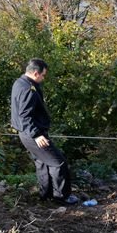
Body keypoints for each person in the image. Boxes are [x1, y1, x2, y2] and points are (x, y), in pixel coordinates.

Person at [11, 59, 78, 205]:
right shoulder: (28, 89)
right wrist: (36, 135)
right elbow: (24, 115)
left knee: (42, 162)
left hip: (27, 132)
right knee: (58, 162)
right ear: (36, 73)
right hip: (32, 134)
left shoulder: (19, 82)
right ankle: (61, 197)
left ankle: (45, 195)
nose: (43, 78)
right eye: (43, 75)